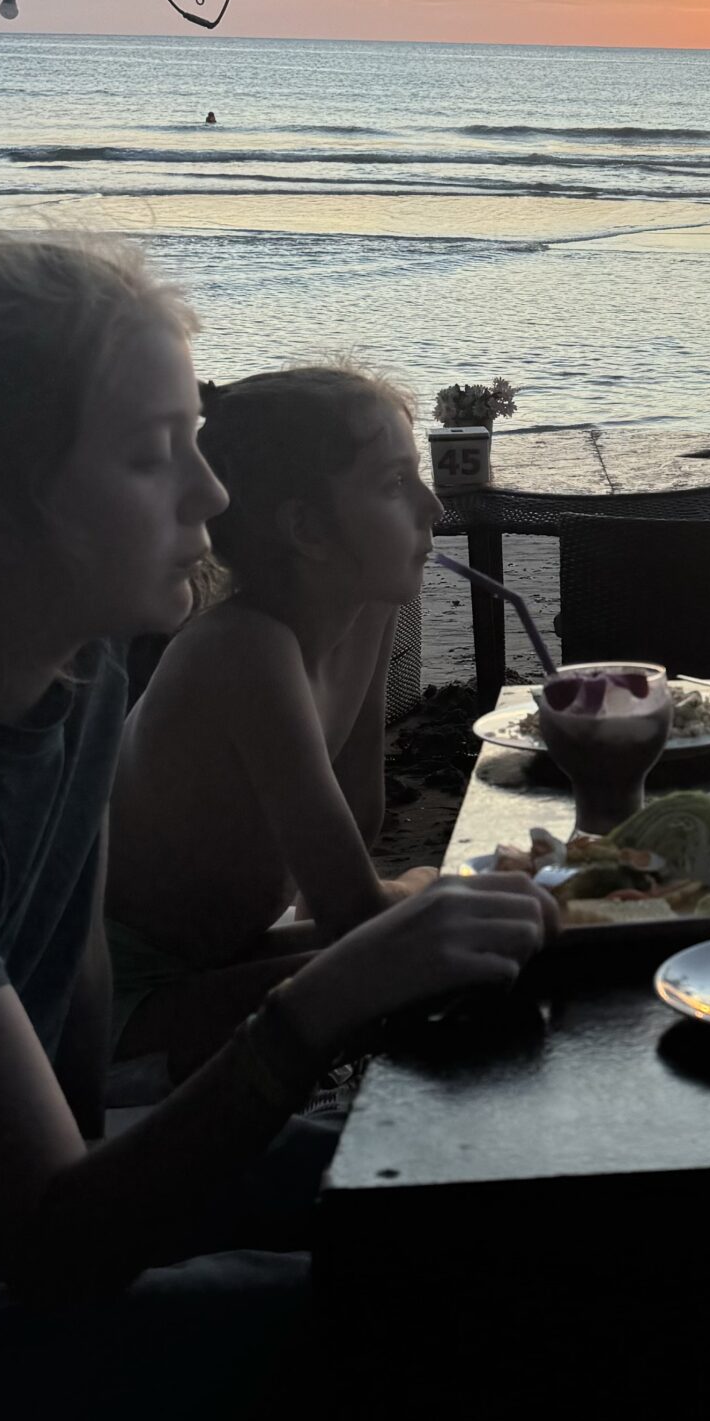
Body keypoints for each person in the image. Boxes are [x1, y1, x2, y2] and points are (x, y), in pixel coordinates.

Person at [0, 231, 555, 1421]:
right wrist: (319, 1001)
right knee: (426, 1306)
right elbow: (51, 1245)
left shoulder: (79, 673)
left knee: (482, 1191)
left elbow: (74, 1090)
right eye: (152, 454)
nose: (212, 494)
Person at [105, 367, 435, 1077]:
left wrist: (395, 914)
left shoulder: (371, 607)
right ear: (307, 529)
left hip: (231, 953)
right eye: (395, 484)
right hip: (125, 998)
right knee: (443, 956)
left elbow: (359, 819)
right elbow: (352, 910)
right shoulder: (241, 649)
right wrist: (429, 885)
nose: (432, 506)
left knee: (449, 947)